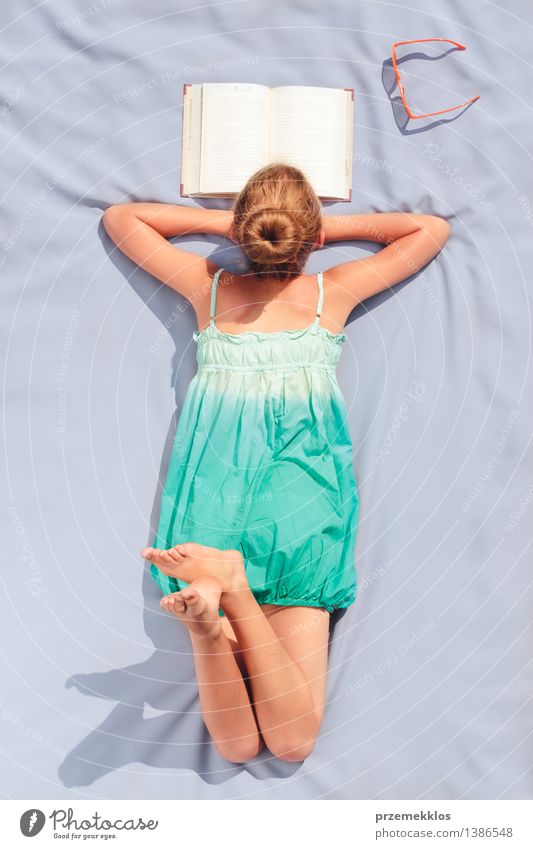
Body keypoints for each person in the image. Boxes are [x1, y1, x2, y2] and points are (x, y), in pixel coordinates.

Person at [102, 162, 450, 764]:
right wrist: (319, 234)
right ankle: (229, 595)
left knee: (237, 747)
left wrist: (236, 228)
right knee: (288, 746)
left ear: (242, 231)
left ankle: (219, 607)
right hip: (301, 508)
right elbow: (427, 230)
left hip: (213, 500)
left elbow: (121, 219)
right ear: (310, 238)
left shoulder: (206, 287)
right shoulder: (329, 294)